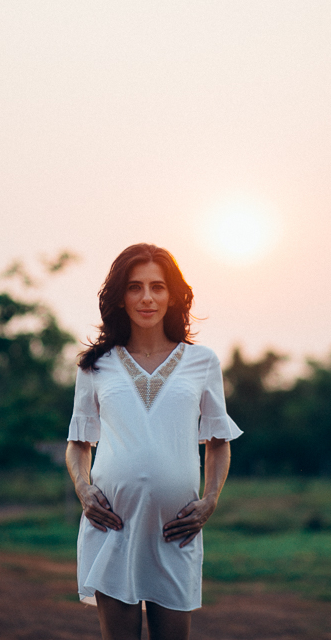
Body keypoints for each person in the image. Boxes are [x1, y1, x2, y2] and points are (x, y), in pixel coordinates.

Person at [65, 243, 243, 640]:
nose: (147, 297)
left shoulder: (203, 362)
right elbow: (79, 442)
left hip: (175, 529)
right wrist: (83, 490)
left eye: (158, 287)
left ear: (173, 295)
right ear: (120, 297)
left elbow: (218, 441)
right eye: (135, 287)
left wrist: (210, 500)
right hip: (112, 527)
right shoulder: (96, 366)